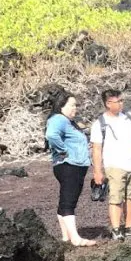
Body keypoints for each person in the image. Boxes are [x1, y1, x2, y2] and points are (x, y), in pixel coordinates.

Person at [90, 89, 131, 241]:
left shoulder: (130, 118)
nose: (121, 104)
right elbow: (96, 149)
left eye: (121, 100)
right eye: (118, 101)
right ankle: (116, 229)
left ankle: (129, 227)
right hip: (114, 165)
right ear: (108, 104)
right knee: (115, 198)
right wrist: (97, 171)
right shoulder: (100, 124)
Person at [45, 91, 96, 246]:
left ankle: (66, 237)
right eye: (72, 105)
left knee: (65, 201)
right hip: (69, 166)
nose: (76, 108)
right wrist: (62, 150)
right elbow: (51, 135)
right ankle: (75, 238)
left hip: (73, 166)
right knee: (69, 202)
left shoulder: (66, 121)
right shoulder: (59, 119)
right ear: (62, 106)